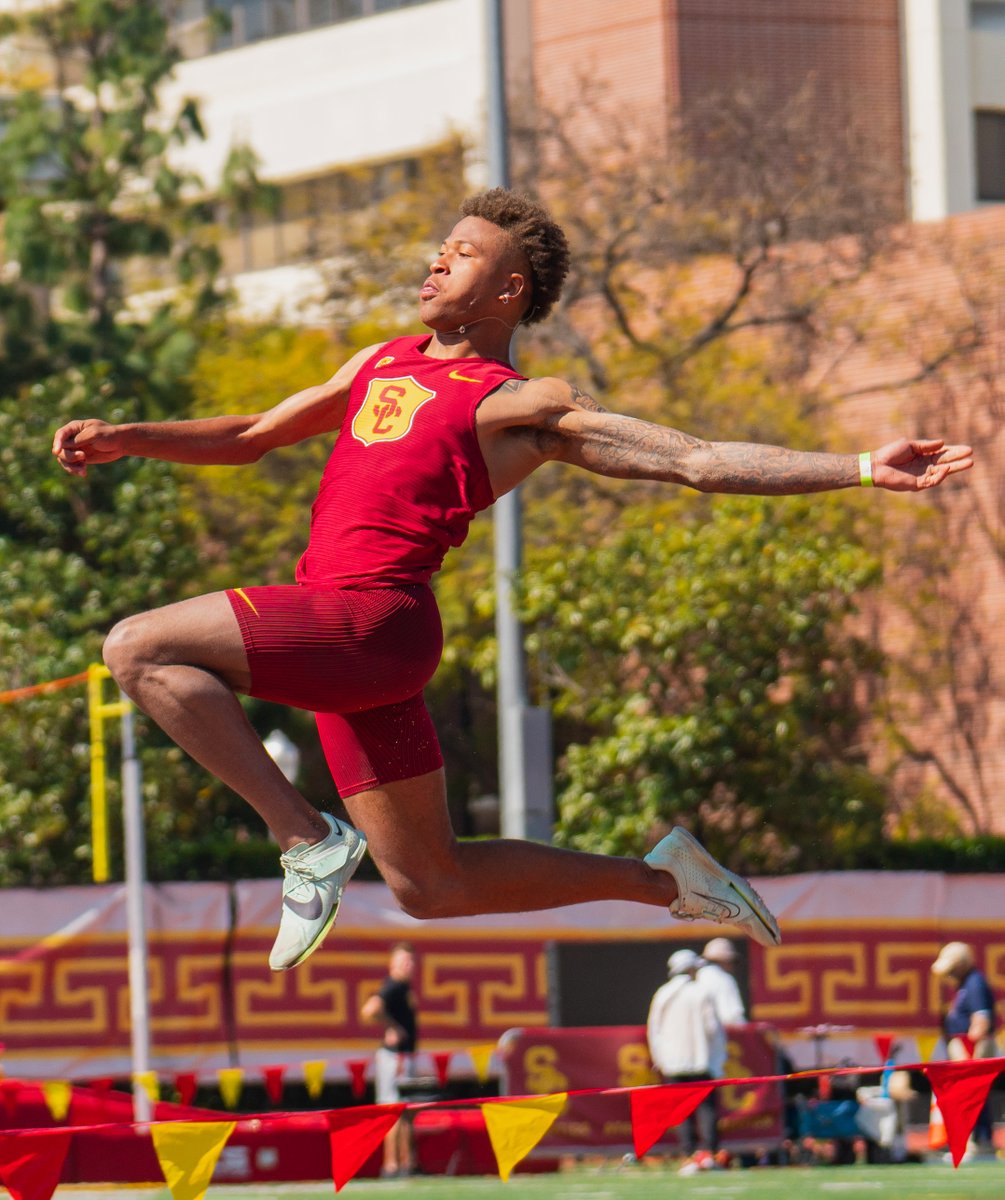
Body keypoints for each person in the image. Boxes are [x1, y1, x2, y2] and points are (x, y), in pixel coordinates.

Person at [52, 188, 975, 973]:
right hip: (350, 651)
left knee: (138, 646)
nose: (433, 265)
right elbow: (254, 436)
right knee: (431, 885)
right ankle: (666, 881)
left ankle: (305, 839)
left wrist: (856, 465)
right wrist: (132, 437)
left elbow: (697, 459)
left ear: (507, 289)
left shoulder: (522, 404)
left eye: (458, 256)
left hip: (372, 623)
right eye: (436, 252)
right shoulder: (377, 362)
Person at [647, 948, 725, 1173]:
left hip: (673, 1063)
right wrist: (718, 1059)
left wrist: (659, 1058)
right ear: (689, 969)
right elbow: (713, 1029)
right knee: (707, 1109)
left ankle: (688, 1157)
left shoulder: (663, 993)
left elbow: (654, 1030)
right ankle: (709, 1155)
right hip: (701, 1061)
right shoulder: (701, 992)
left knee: (682, 1111)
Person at [932, 941, 999, 1158]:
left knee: (972, 1094)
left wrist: (969, 1055)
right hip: (966, 1045)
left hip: (973, 1047)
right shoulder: (965, 984)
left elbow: (981, 1022)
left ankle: (978, 1141)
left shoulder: (975, 983)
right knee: (969, 1095)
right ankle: (975, 1140)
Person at [360, 941, 419, 1177]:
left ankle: (407, 1163)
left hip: (404, 1056)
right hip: (395, 1057)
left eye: (412, 960)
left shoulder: (404, 988)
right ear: (392, 964)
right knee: (393, 1107)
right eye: (404, 960)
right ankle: (392, 1164)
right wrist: (391, 1027)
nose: (410, 965)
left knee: (405, 1108)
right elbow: (370, 1010)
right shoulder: (393, 986)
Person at [698, 937, 746, 1026]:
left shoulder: (696, 977)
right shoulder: (724, 979)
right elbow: (733, 1018)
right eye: (732, 961)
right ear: (725, 960)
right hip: (718, 1035)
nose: (732, 966)